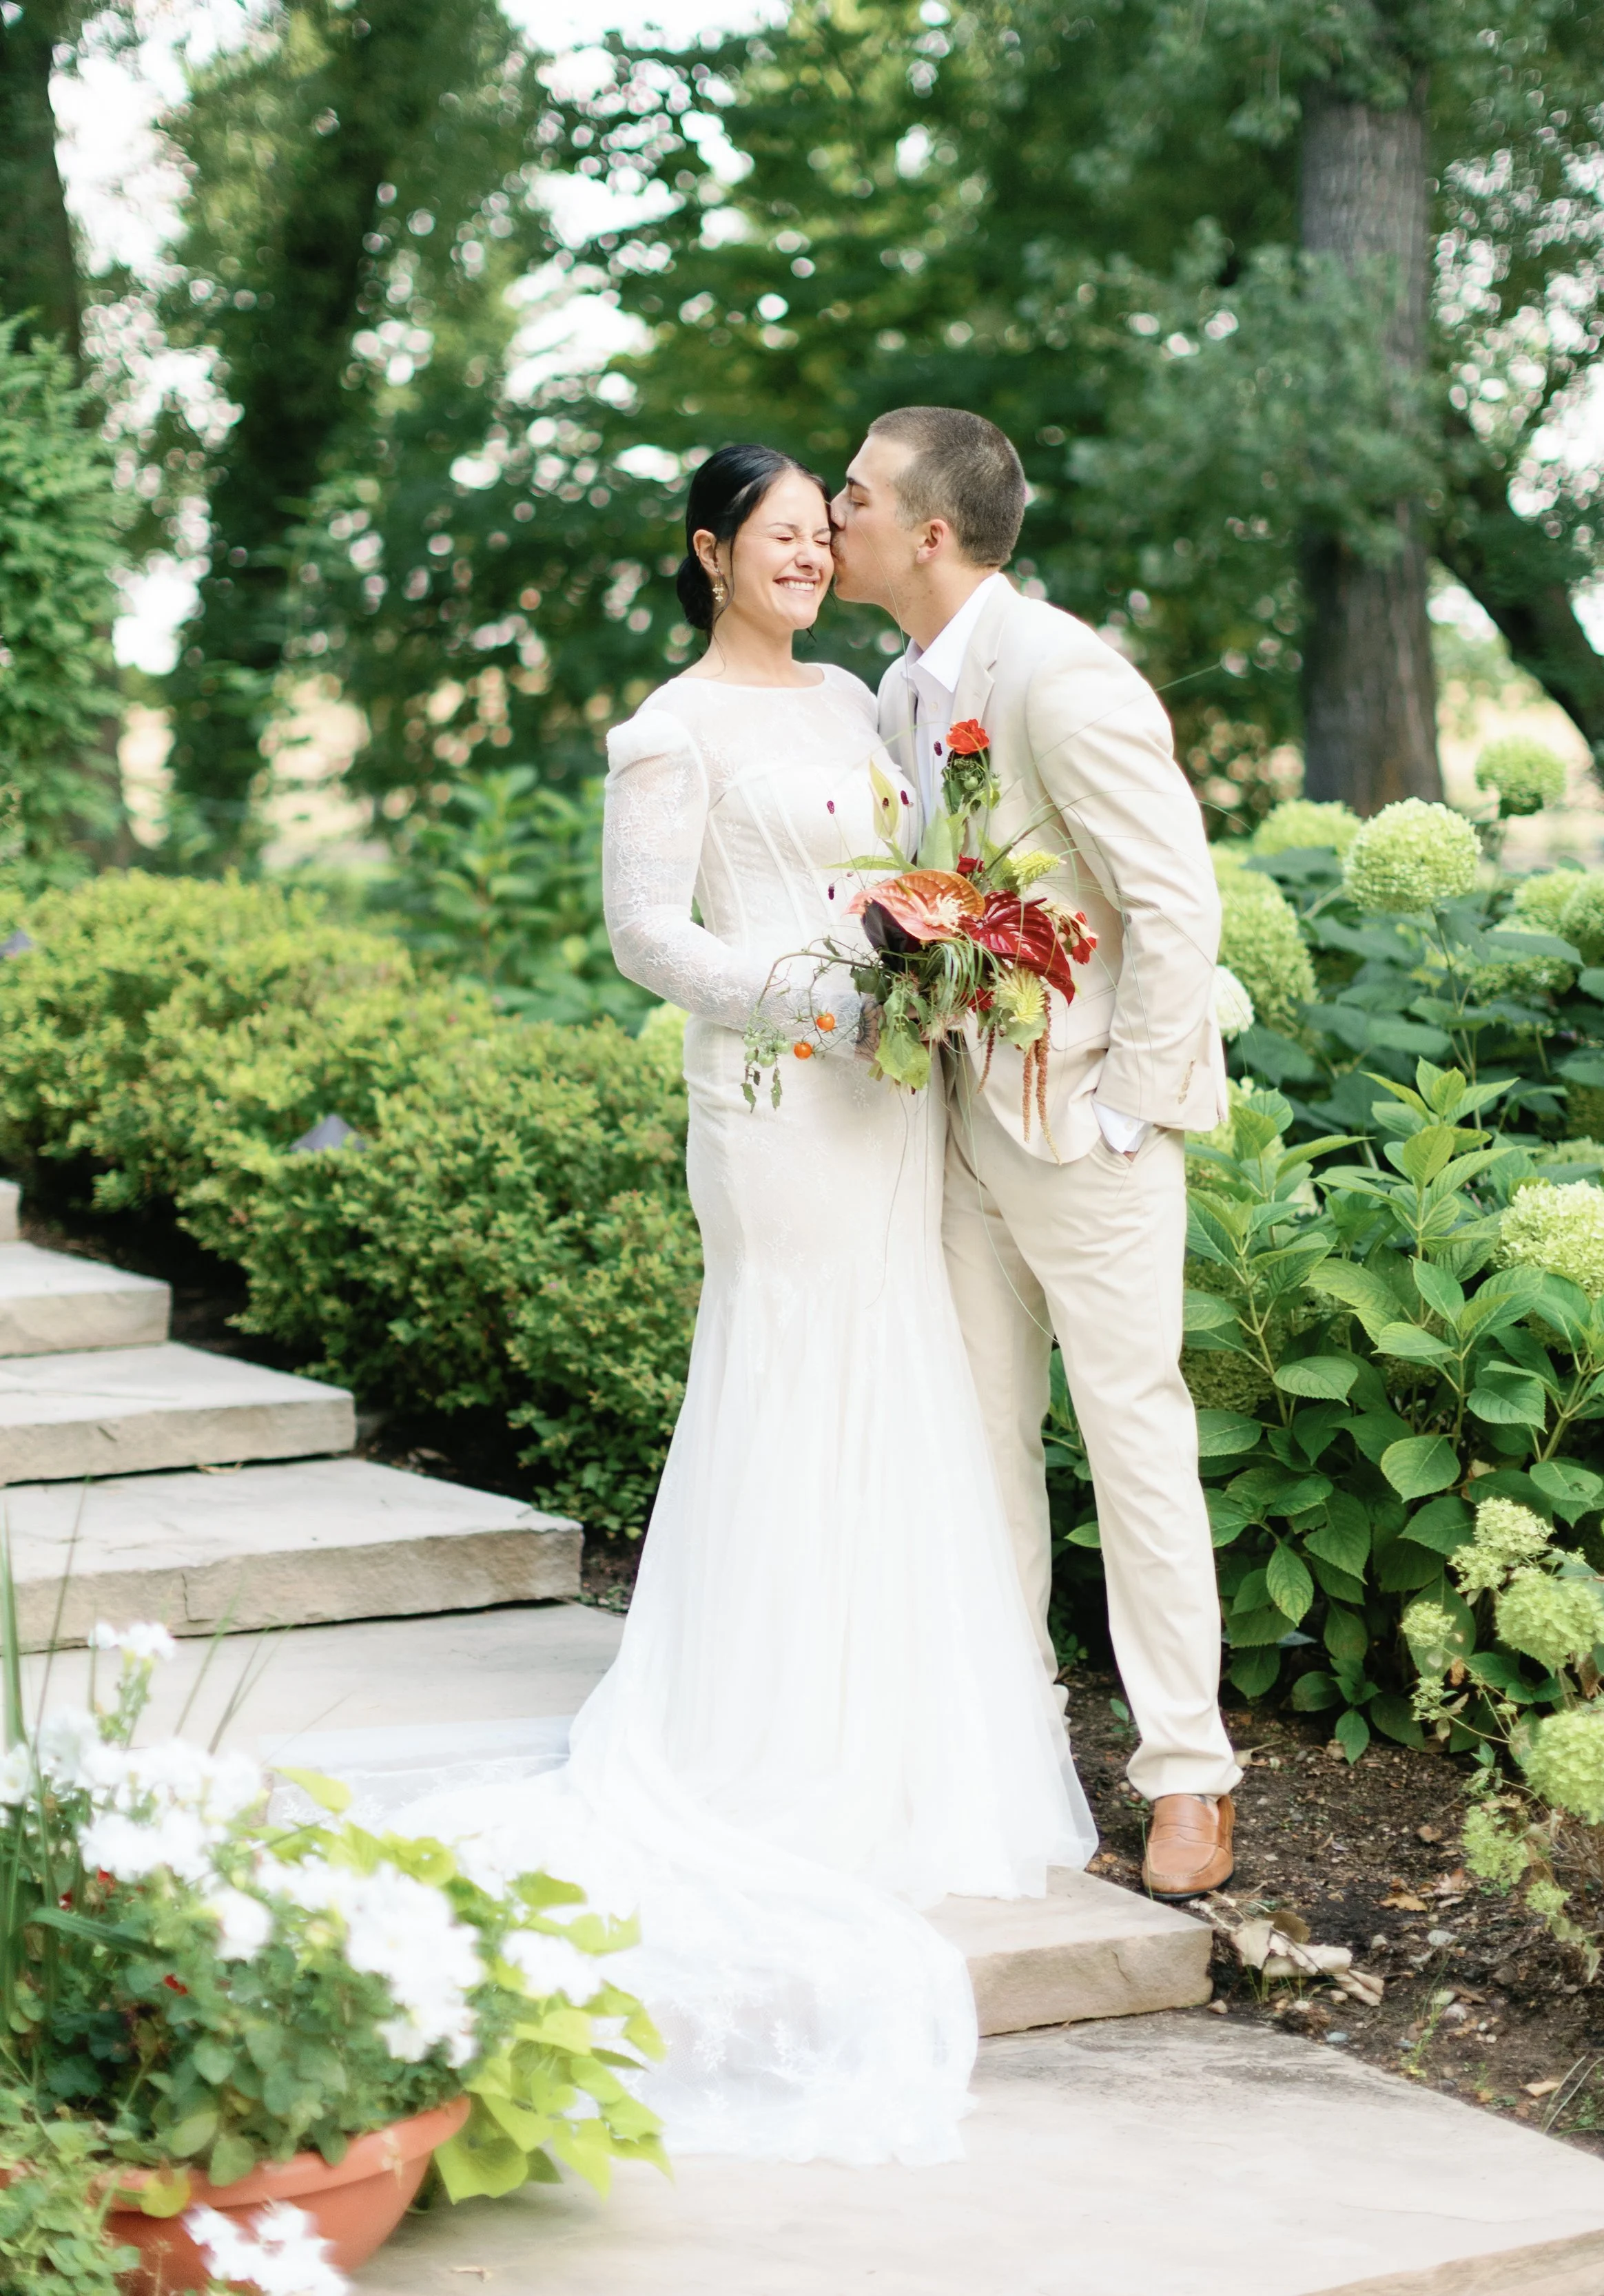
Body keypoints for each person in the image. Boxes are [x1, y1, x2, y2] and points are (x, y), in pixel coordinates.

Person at [391, 442, 1094, 2166]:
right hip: (774, 1103)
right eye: (774, 538)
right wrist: (807, 995)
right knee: (790, 1367)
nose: (802, 557)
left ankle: (900, 1724)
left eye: (816, 535)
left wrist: (931, 960)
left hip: (893, 1086)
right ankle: (758, 1728)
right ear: (712, 554)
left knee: (903, 1368)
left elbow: (921, 868)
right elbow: (644, 933)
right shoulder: (667, 729)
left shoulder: (862, 697)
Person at [830, 407, 1242, 1901]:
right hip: (952, 1124)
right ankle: (1011, 1753)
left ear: (930, 535)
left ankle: (1187, 1774)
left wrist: (1127, 1110)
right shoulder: (896, 690)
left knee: (1131, 1434)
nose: (832, 514)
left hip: (1086, 1127)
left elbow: (1175, 905)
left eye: (856, 496)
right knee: (980, 1443)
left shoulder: (1061, 677)